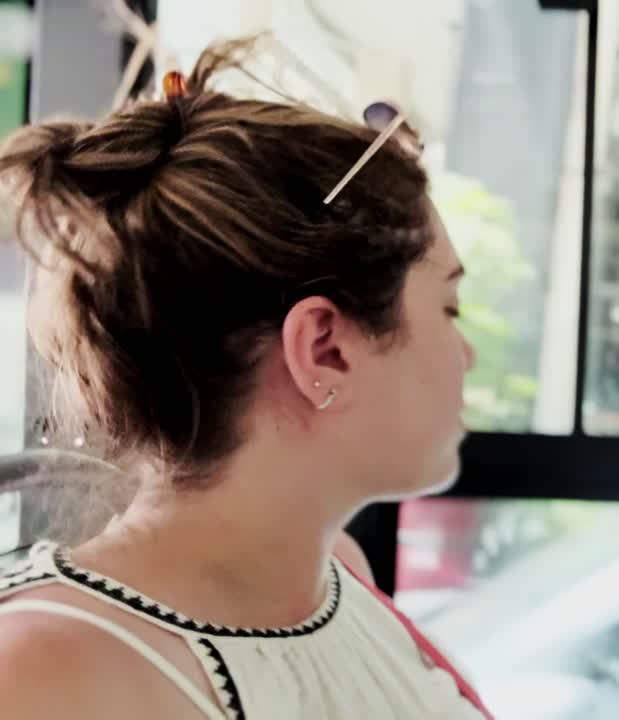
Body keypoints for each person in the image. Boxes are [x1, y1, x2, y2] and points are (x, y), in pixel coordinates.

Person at [0, 38, 488, 719]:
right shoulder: (45, 677)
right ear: (325, 349)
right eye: (449, 307)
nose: (466, 354)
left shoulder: (339, 573)